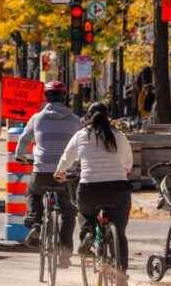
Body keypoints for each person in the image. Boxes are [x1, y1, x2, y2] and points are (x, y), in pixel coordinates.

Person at [55, 109, 133, 274]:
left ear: (88, 118)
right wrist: (124, 170)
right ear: (108, 117)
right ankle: (121, 273)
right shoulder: (119, 135)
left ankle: (88, 233)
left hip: (89, 190)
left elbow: (67, 157)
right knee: (119, 233)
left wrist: (59, 172)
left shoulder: (81, 135)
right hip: (118, 189)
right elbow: (128, 163)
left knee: (84, 214)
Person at [15, 81, 80, 267]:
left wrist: (21, 157)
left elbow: (23, 140)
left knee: (33, 193)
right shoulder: (75, 120)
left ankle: (35, 221)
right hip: (64, 174)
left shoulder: (37, 118)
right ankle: (65, 254)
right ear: (64, 97)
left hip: (41, 171)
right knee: (68, 212)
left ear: (46, 97)